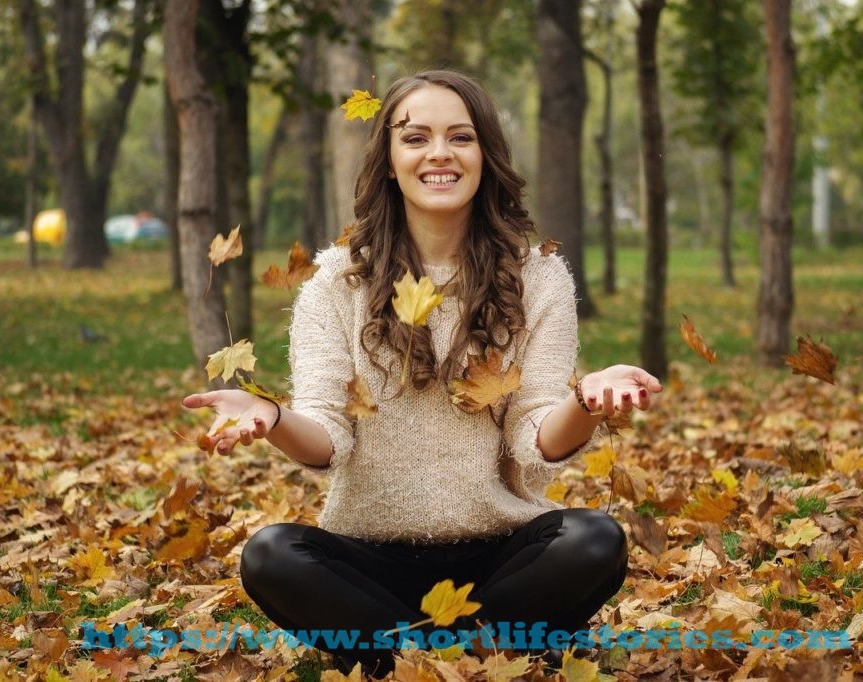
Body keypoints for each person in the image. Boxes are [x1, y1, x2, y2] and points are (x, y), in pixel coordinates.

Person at [182, 69, 662, 677]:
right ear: (387, 159)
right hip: (369, 564)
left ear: (485, 154)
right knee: (273, 555)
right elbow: (327, 438)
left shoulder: (538, 278)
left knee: (594, 540)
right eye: (416, 138)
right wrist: (273, 417)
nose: (439, 153)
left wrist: (586, 402)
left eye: (460, 137)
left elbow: (538, 438)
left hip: (500, 560)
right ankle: (458, 659)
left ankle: (428, 659)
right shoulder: (335, 282)